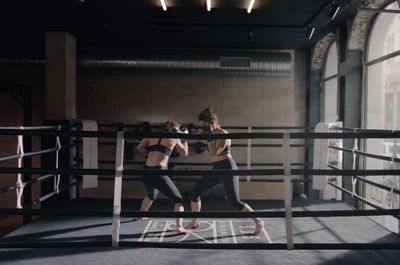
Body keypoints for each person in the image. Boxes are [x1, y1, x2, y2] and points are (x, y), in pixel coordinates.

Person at [185, 108, 264, 235]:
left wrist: (209, 137)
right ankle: (195, 221)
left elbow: (214, 152)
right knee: (194, 192)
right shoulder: (210, 134)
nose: (203, 128)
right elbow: (212, 154)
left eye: (204, 125)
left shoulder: (223, 134)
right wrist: (208, 136)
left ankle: (258, 221)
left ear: (212, 122)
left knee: (234, 201)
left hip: (227, 168)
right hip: (216, 168)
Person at [136, 120, 190, 234]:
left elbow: (140, 148)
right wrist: (184, 139)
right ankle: (179, 227)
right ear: (176, 130)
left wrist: (149, 155)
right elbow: (184, 154)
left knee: (152, 194)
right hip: (159, 173)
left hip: (146, 172)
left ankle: (140, 215)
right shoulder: (174, 138)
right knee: (178, 200)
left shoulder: (152, 135)